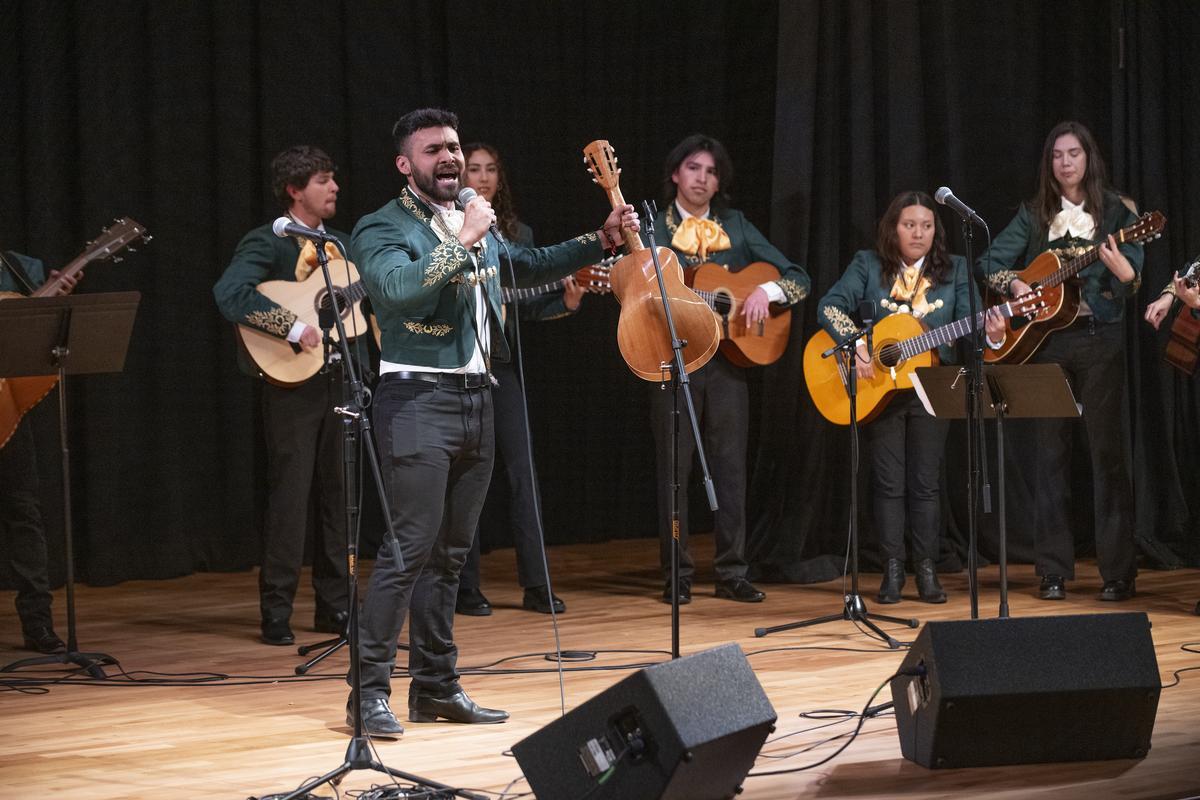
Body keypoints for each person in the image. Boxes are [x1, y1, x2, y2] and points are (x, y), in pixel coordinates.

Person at [349, 108, 637, 737]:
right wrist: (463, 241)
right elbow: (397, 292)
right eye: (433, 151)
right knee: (407, 553)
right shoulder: (381, 226)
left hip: (479, 398)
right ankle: (367, 694)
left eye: (453, 147)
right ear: (406, 164)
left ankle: (436, 687)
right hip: (417, 400)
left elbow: (527, 265)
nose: (448, 158)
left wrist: (601, 238)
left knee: (450, 557)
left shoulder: (471, 218)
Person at [817, 192, 1006, 603]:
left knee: (924, 484)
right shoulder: (868, 264)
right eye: (909, 225)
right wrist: (856, 344)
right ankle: (892, 570)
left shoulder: (955, 269)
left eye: (927, 225)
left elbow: (967, 327)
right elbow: (830, 305)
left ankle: (926, 570)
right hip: (879, 391)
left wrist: (991, 333)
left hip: (930, 388)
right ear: (893, 228)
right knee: (888, 485)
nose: (918, 233)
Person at [982, 120, 1143, 602]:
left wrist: (1124, 272)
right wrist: (1015, 285)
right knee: (1049, 457)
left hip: (1100, 340)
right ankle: (1052, 571)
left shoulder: (1119, 212)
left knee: (1106, 457)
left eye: (1074, 153)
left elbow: (1133, 282)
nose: (1066, 162)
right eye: (1057, 155)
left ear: (1089, 158)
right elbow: (989, 262)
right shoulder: (1034, 214)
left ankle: (1118, 573)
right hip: (1046, 344)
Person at [649, 134, 810, 604]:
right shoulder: (655, 227)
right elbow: (636, 284)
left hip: (727, 363)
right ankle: (675, 575)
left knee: (730, 469)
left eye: (712, 171)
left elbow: (798, 278)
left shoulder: (736, 226)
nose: (702, 178)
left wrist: (765, 293)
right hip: (674, 358)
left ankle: (731, 571)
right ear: (676, 173)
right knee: (674, 470)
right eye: (694, 168)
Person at [213, 145, 351, 646]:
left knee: (340, 498)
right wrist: (292, 325)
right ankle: (277, 609)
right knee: (290, 498)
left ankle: (335, 607)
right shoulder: (267, 242)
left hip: (340, 377)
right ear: (295, 190)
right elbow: (229, 293)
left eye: (333, 178)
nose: (334, 187)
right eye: (322, 180)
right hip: (291, 385)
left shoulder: (342, 246)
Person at [455, 142, 582, 617]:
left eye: (491, 169)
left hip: (501, 366)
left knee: (523, 474)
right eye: (474, 168)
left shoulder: (517, 234)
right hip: (459, 365)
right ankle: (465, 586)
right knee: (467, 476)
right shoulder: (449, 226)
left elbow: (521, 302)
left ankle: (537, 584)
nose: (483, 177)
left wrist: (563, 304)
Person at [0, 250, 72, 654]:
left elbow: (36, 334)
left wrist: (53, 297)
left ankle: (38, 623)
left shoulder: (15, 267)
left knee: (24, 514)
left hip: (6, 411)